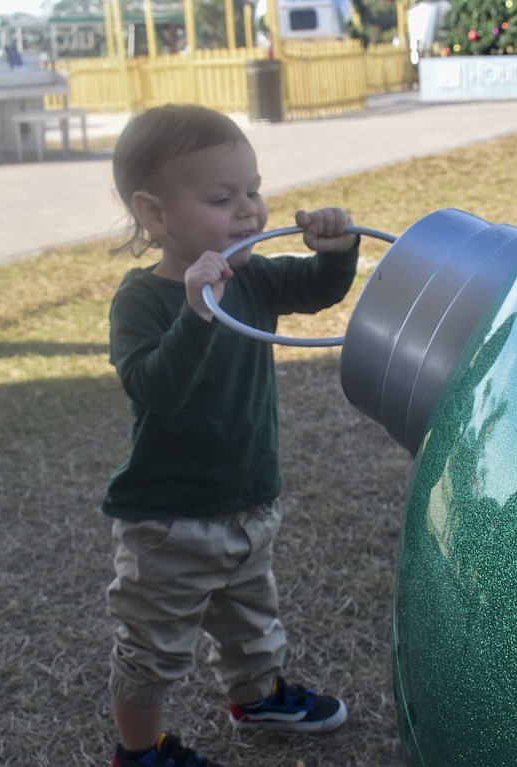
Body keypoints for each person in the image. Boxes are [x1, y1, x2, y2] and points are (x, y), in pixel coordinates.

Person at [103, 104, 359, 767]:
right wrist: (195, 312)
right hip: (168, 521)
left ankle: (258, 696)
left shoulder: (252, 277)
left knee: (251, 619)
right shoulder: (142, 300)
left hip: (248, 499)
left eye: (253, 190)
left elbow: (316, 289)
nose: (248, 210)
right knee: (152, 649)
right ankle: (140, 752)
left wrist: (336, 252)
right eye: (222, 198)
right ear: (155, 215)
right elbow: (154, 388)